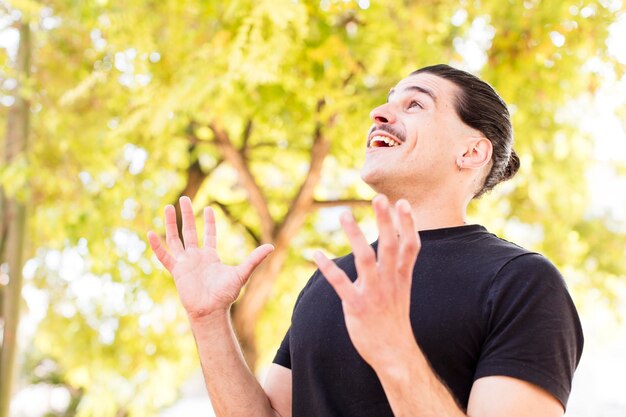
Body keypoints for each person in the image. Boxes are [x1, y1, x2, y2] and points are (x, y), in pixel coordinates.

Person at [147, 64, 583, 417]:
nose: (380, 112)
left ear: (471, 152)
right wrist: (208, 321)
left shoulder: (521, 282)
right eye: (388, 100)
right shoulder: (330, 281)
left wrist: (395, 352)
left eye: (415, 103)